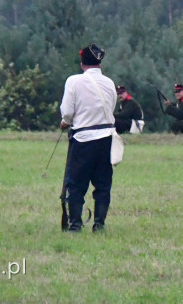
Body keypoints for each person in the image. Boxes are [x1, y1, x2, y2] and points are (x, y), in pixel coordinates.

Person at [59, 43, 117, 232]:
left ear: (83, 63)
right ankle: (99, 224)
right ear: (99, 64)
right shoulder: (109, 83)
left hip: (83, 139)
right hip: (106, 138)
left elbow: (67, 112)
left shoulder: (74, 81)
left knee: (76, 185)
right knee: (103, 184)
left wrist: (65, 122)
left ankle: (75, 225)